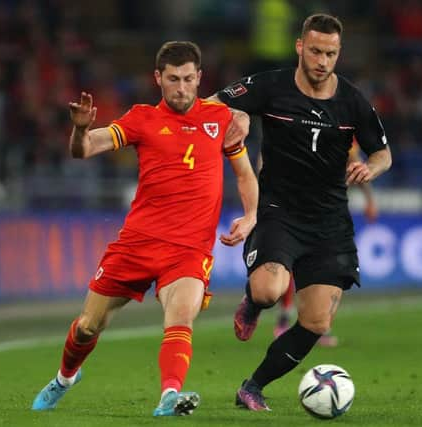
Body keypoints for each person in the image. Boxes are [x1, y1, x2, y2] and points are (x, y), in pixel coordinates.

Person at [31, 41, 258, 417]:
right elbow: (84, 150)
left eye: (188, 79)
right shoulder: (141, 119)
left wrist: (250, 215)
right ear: (158, 79)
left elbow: (245, 174)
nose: (182, 88)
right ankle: (65, 378)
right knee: (89, 326)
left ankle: (169, 396)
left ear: (200, 78)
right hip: (137, 244)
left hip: (188, 249)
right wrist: (79, 130)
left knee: (181, 316)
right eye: (173, 79)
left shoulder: (222, 120)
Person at [211, 13, 392, 411]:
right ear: (299, 47)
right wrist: (234, 114)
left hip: (329, 220)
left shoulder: (352, 101)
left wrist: (371, 168)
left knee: (316, 322)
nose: (322, 61)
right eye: (314, 51)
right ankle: (254, 304)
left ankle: (252, 387)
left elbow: (382, 152)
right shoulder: (269, 85)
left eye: (330, 53)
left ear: (338, 53)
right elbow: (212, 105)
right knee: (269, 290)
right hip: (278, 208)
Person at [273, 142, 379, 347]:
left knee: (327, 269)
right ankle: (285, 316)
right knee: (291, 264)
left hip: (330, 213)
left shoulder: (343, 128)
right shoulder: (298, 124)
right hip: (295, 208)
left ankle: (319, 325)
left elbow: (357, 165)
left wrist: (370, 200)